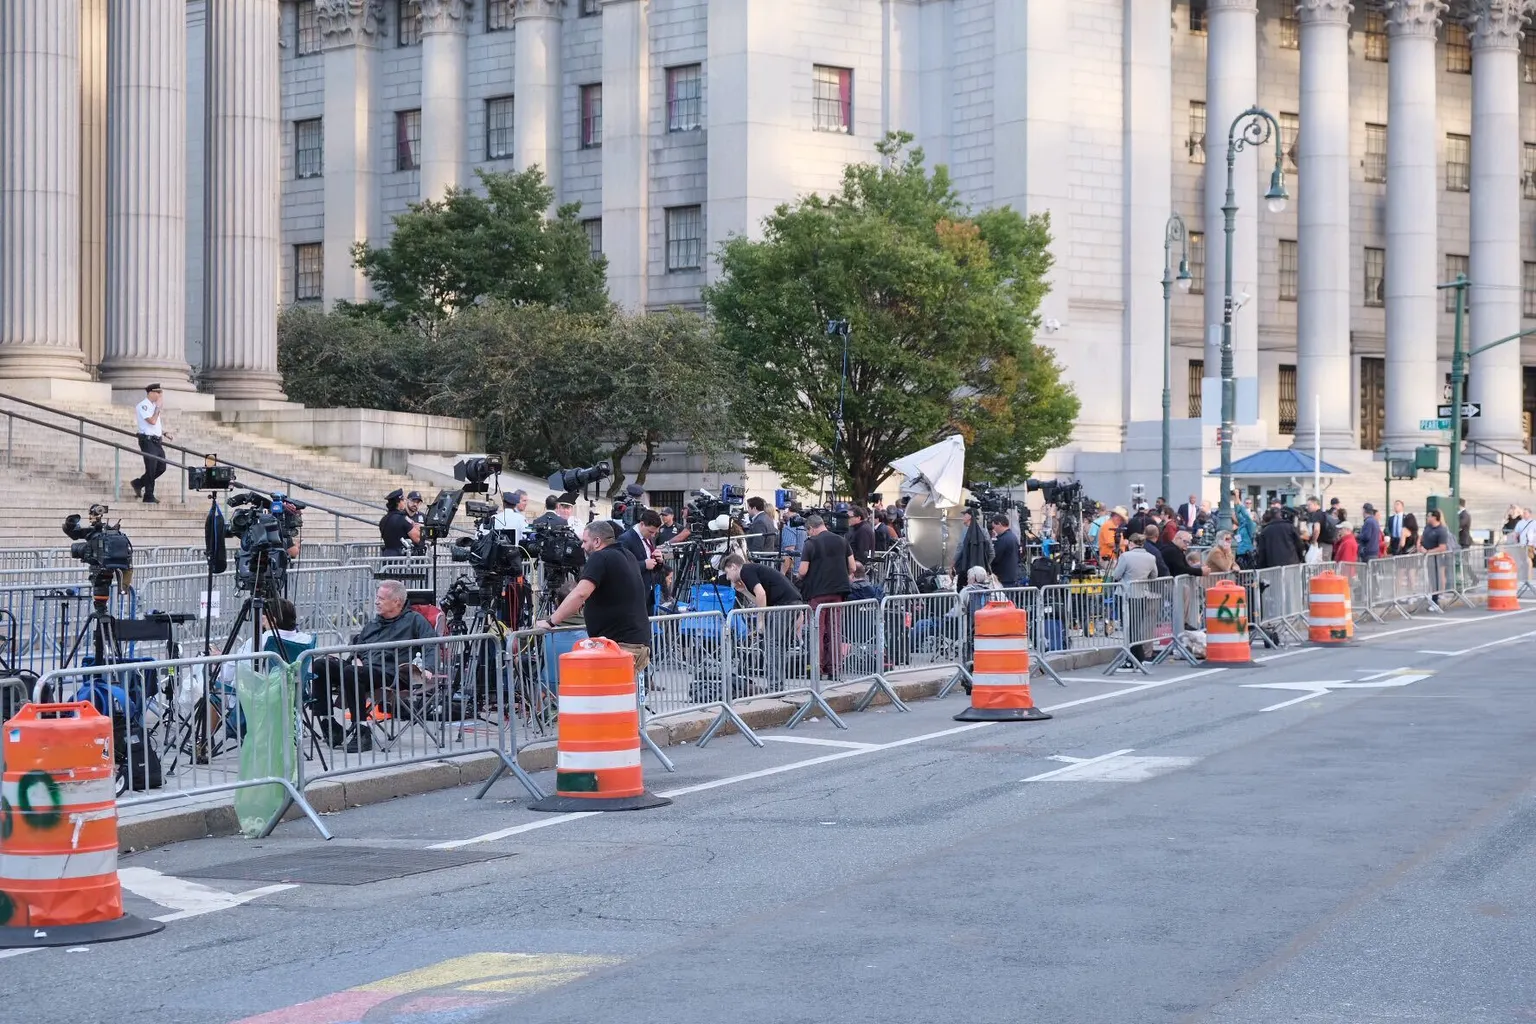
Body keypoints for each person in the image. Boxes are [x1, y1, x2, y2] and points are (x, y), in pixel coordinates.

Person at [311, 580, 437, 752]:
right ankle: (329, 724)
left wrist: (428, 668)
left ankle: (362, 731)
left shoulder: (414, 620)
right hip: (362, 669)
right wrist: (355, 657)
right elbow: (357, 646)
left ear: (397, 602)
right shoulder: (374, 623)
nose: (376, 602)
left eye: (381, 598)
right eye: (377, 597)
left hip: (390, 673)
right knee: (320, 665)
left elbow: (432, 644)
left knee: (351, 672)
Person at [536, 520, 652, 670]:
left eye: (585, 541)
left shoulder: (600, 557)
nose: (582, 546)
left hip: (619, 646)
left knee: (602, 692)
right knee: (618, 693)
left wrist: (551, 621)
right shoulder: (627, 555)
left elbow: (580, 593)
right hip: (634, 642)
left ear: (597, 541)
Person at [797, 514, 855, 679]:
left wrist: (798, 577)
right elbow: (852, 566)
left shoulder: (811, 543)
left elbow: (802, 571)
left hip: (817, 593)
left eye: (808, 531)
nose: (809, 534)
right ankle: (835, 670)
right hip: (838, 593)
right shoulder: (842, 541)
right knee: (835, 631)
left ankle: (818, 668)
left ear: (812, 528)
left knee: (818, 631)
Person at [217, 599, 314, 688]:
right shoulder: (307, 640)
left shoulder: (259, 641)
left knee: (211, 684)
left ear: (273, 621)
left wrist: (217, 663)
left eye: (264, 619)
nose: (262, 623)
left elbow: (228, 674)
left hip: (262, 699)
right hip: (295, 696)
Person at [1111, 534, 1160, 664]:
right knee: (1136, 625)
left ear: (1131, 543)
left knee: (1128, 627)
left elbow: (1116, 575)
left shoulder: (1125, 556)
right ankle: (1137, 657)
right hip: (1142, 593)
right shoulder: (1151, 557)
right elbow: (1154, 575)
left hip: (1126, 594)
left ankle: (1135, 657)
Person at [130, 383, 172, 504]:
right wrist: (158, 408)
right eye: (158, 393)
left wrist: (164, 432)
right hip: (147, 441)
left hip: (156, 441)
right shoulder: (143, 406)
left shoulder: (153, 406)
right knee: (151, 468)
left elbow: (154, 426)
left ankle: (139, 483)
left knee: (161, 467)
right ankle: (149, 495)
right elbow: (152, 421)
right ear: (151, 393)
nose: (160, 396)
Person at [617, 508, 665, 613]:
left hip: (649, 592)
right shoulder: (625, 539)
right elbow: (620, 566)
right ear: (642, 524)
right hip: (633, 594)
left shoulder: (649, 537)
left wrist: (659, 561)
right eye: (651, 532)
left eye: (655, 533)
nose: (653, 535)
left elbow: (652, 565)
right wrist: (644, 564)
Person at [953, 508, 993, 579]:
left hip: (966, 571)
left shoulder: (966, 531)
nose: (963, 518)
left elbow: (960, 548)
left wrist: (953, 564)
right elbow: (991, 553)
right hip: (981, 572)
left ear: (969, 517)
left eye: (964, 515)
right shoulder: (984, 531)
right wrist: (985, 565)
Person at [378, 488, 420, 556]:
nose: (404, 502)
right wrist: (418, 529)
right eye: (402, 500)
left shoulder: (384, 519)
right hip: (401, 560)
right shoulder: (402, 519)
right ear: (398, 502)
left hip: (387, 557)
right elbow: (418, 539)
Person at [987, 514, 1021, 587]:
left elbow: (995, 557)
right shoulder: (1012, 537)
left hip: (1003, 578)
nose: (993, 530)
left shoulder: (1003, 539)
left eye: (994, 527)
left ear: (999, 524)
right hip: (1011, 576)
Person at [1304, 496, 1336, 561]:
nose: (1307, 507)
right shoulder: (1324, 514)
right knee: (1326, 568)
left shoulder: (1316, 515)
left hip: (1322, 546)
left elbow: (1316, 530)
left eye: (1309, 505)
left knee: (1321, 567)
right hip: (1328, 546)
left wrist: (1313, 541)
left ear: (1315, 504)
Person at [404, 490, 427, 555]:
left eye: (418, 502)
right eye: (413, 501)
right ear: (407, 500)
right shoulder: (401, 515)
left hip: (420, 554)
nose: (415, 504)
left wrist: (423, 529)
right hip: (405, 554)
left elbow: (431, 535)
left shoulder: (422, 516)